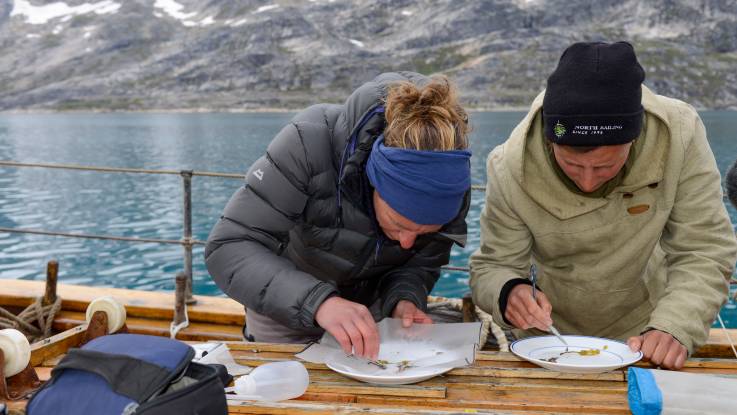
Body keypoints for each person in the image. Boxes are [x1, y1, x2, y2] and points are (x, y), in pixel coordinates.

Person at [470, 41, 737, 370]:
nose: (587, 182)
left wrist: (675, 326)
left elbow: (704, 247)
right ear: (550, 139)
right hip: (544, 342)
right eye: (571, 165)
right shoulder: (510, 165)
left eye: (604, 167)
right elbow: (492, 266)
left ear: (633, 139)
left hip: (646, 334)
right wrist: (509, 292)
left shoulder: (680, 134)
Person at [206, 72, 471, 360]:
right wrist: (318, 302)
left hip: (370, 312)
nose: (408, 243)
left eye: (423, 233)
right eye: (399, 225)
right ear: (372, 181)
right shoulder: (308, 143)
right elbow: (229, 247)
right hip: (283, 304)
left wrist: (404, 298)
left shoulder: (452, 179)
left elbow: (421, 261)